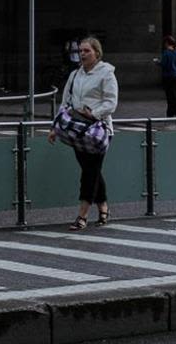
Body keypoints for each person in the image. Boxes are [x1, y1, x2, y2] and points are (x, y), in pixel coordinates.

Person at [48, 36, 119, 230]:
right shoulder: (75, 75)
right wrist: (55, 127)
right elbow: (65, 102)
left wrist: (94, 113)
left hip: (98, 131)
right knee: (91, 171)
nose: (82, 54)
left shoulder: (106, 74)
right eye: (80, 51)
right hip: (77, 130)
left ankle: (82, 215)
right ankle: (103, 206)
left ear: (97, 52)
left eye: (86, 51)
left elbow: (111, 102)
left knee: (90, 171)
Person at [158, 35, 176, 118]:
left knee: (170, 95)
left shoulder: (166, 52)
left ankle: (171, 111)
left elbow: (164, 64)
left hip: (169, 76)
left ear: (167, 43)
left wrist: (158, 62)